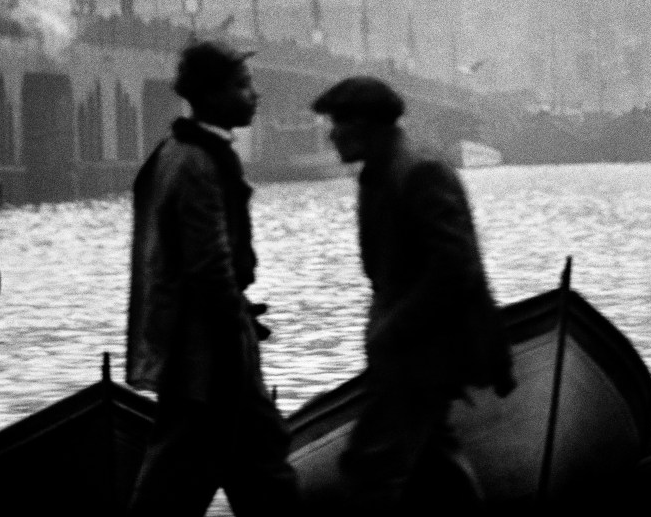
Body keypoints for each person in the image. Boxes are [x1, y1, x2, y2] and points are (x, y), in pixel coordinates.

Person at [312, 75, 516, 517]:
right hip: (407, 354)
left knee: (372, 466)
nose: (332, 134)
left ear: (370, 125)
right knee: (435, 470)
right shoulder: (379, 176)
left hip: (424, 352)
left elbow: (456, 268)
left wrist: (392, 327)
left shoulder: (420, 173)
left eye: (340, 122)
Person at [126, 39, 300, 517]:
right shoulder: (202, 162)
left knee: (242, 464)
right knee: (226, 467)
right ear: (212, 95)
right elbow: (209, 267)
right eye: (243, 86)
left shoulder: (176, 151)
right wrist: (235, 331)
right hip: (210, 350)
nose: (254, 96)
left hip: (194, 343)